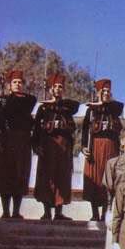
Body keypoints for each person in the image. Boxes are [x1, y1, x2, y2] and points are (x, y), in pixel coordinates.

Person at [32, 73, 79, 220]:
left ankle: (58, 212)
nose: (58, 89)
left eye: (60, 87)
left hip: (63, 148)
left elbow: (72, 127)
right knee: (47, 177)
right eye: (55, 87)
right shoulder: (44, 108)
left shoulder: (66, 109)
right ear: (50, 89)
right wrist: (36, 145)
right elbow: (36, 129)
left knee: (62, 177)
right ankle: (46, 212)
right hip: (47, 147)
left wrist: (63, 124)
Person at [0, 70, 37, 219]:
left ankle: (16, 211)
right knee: (5, 176)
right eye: (14, 82)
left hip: (23, 142)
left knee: (20, 176)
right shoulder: (2, 103)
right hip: (5, 142)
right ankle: (5, 211)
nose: (17, 85)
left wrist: (14, 97)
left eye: (20, 82)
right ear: (9, 85)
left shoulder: (26, 103)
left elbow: (32, 99)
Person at [82, 78, 124, 221]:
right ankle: (94, 214)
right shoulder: (91, 111)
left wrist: (103, 103)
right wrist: (83, 147)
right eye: (103, 91)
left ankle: (106, 212)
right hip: (95, 148)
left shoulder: (114, 110)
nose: (106, 93)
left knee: (109, 179)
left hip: (111, 147)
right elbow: (84, 130)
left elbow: (119, 106)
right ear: (98, 92)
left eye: (108, 91)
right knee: (95, 178)